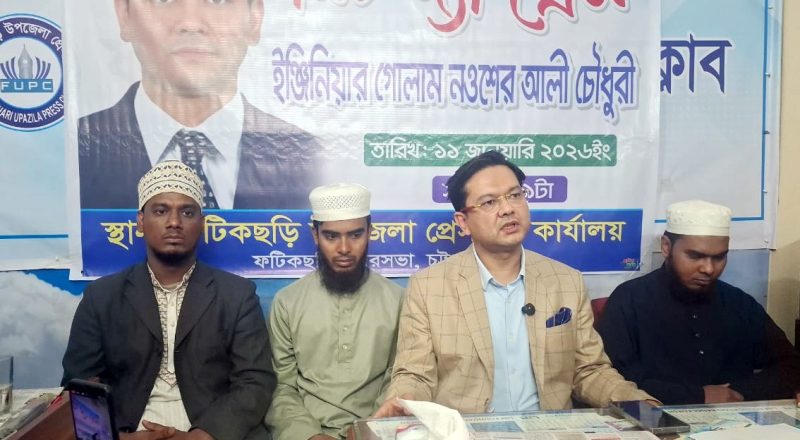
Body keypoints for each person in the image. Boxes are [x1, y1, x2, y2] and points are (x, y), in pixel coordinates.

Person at [374, 151, 652, 417]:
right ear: (463, 222)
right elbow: (416, 374)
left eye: (515, 195)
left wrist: (638, 402)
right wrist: (403, 400)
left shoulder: (567, 281)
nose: (507, 209)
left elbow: (588, 370)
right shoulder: (428, 287)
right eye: (489, 202)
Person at [62, 161, 276, 439]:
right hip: (128, 431)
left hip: (215, 432)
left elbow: (255, 381)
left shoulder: (237, 295)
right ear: (140, 222)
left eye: (187, 212)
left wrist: (203, 435)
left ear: (202, 224)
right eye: (161, 211)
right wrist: (117, 438)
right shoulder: (101, 297)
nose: (174, 222)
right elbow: (79, 385)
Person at [79, 0, 319, 209]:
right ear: (124, 13)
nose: (191, 24)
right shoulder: (79, 150)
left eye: (217, 0)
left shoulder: (307, 157)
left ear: (255, 17)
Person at [597, 200, 800, 405]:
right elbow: (613, 379)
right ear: (666, 247)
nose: (708, 269)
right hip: (653, 417)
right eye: (695, 256)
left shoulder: (739, 304)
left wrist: (738, 392)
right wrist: (697, 396)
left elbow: (790, 366)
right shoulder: (630, 300)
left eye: (719, 258)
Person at [266, 183, 404, 439]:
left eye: (355, 235)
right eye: (331, 236)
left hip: (377, 430)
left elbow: (399, 379)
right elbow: (281, 387)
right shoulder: (287, 302)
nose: (344, 248)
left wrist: (369, 428)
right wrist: (309, 434)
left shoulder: (398, 300)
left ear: (370, 232)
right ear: (315, 235)